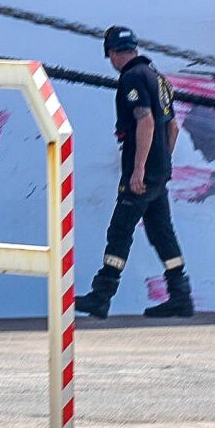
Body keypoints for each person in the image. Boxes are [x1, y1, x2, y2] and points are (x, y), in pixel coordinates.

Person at [75, 27, 194, 318]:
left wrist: (139, 169)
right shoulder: (159, 77)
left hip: (142, 172)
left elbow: (146, 122)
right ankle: (181, 296)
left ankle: (101, 296)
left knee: (120, 231)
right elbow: (173, 127)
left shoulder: (131, 78)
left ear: (112, 53)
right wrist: (162, 162)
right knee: (161, 232)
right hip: (160, 170)